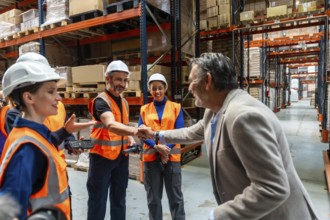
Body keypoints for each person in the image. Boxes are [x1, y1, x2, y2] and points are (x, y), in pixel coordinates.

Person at [138, 52, 318, 220]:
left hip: (277, 215)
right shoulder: (214, 111)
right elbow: (192, 132)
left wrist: (217, 215)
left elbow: (273, 188)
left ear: (207, 80)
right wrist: (157, 135)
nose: (189, 87)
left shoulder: (243, 117)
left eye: (192, 81)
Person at [0, 54, 94, 220]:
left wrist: (66, 131)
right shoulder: (25, 149)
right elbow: (10, 212)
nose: (59, 97)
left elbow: (47, 142)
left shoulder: (36, 133)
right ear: (29, 97)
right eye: (51, 91)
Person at [87, 60, 143, 220]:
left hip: (121, 157)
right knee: (97, 201)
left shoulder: (124, 102)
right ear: (108, 79)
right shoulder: (100, 102)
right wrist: (137, 131)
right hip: (101, 158)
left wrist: (130, 137)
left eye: (125, 80)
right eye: (119, 79)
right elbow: (111, 124)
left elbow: (122, 126)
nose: (123, 84)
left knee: (119, 199)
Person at [138, 73, 185, 220]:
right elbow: (141, 132)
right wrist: (157, 148)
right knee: (153, 199)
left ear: (165, 88)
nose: (157, 91)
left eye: (160, 88)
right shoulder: (144, 109)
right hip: (151, 159)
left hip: (172, 159)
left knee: (176, 198)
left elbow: (179, 131)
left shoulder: (176, 107)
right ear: (149, 90)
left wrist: (166, 150)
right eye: (153, 88)